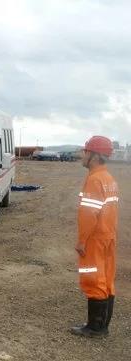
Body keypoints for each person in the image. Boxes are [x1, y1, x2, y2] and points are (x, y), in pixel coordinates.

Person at [70, 136, 119, 338]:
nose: (83, 155)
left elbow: (89, 215)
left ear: (95, 156)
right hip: (108, 236)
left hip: (95, 239)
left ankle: (95, 328)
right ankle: (102, 325)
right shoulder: (108, 179)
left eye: (86, 152)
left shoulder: (94, 179)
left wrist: (82, 240)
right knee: (106, 279)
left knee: (93, 279)